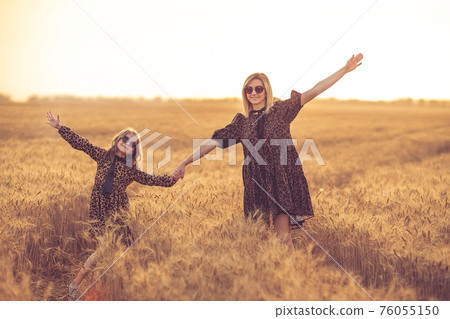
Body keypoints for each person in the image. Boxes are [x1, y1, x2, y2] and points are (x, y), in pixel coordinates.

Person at [171, 53, 363, 254]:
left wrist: (344, 70)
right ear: (244, 93)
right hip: (256, 183)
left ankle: (290, 278)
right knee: (261, 239)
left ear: (266, 90)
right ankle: (270, 278)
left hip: (281, 179)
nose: (253, 93)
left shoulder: (281, 110)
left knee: (283, 238)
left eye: (258, 88)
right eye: (249, 89)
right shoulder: (241, 123)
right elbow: (212, 143)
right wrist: (185, 162)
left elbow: (314, 90)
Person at [46, 111, 177, 300]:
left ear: (134, 150)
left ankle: (114, 287)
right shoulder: (102, 156)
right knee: (104, 249)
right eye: (125, 138)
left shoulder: (131, 169)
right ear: (117, 139)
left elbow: (151, 179)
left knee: (120, 251)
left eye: (132, 143)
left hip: (119, 213)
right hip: (99, 210)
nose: (127, 143)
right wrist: (59, 127)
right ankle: (74, 285)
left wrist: (172, 179)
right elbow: (81, 144)